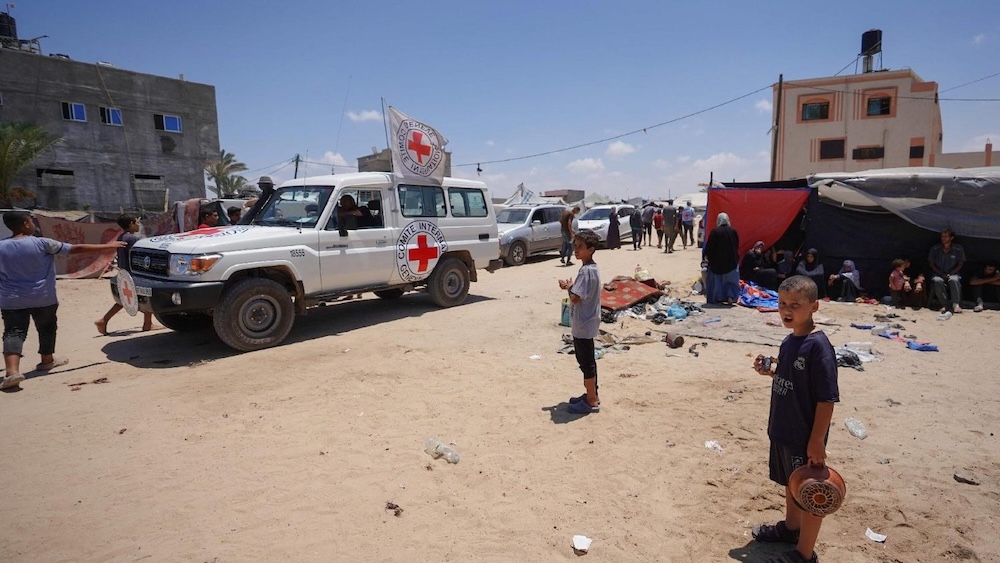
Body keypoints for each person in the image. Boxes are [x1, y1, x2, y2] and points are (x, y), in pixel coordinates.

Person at [751, 275, 839, 563]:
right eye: (782, 304)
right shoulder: (790, 342)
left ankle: (804, 553)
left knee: (812, 490)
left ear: (814, 306)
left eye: (796, 305)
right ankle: (791, 529)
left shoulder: (819, 348)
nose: (787, 310)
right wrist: (771, 372)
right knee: (792, 483)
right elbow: (792, 378)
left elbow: (826, 398)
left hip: (805, 435)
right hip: (783, 429)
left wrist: (816, 440)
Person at [1, 211, 127, 390]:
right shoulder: (42, 243)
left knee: (14, 332)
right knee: (47, 328)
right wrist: (107, 246)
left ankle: (12, 372)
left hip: (12, 299)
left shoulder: (1, 247)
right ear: (25, 224)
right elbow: (75, 249)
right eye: (31, 221)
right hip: (43, 297)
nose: (33, 224)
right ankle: (47, 360)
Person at [558, 229, 602, 415]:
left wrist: (568, 287)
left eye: (580, 247)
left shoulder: (585, 272)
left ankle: (591, 399)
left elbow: (576, 298)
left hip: (583, 324)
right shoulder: (591, 268)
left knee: (586, 363)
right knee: (588, 361)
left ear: (590, 249)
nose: (576, 250)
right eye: (575, 247)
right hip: (587, 322)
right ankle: (592, 395)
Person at [94, 215, 157, 335]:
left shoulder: (122, 237)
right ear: (132, 223)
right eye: (137, 222)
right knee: (145, 295)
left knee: (126, 299)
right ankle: (147, 324)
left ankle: (105, 320)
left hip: (124, 272)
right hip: (133, 273)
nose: (139, 225)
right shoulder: (132, 240)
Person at [702, 212, 740, 305]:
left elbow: (710, 247)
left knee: (717, 282)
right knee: (731, 282)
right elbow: (736, 245)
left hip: (717, 263)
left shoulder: (715, 231)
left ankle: (717, 298)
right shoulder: (733, 231)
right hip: (731, 262)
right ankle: (730, 297)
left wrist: (707, 257)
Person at [928, 228, 965, 314]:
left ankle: (956, 304)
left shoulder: (958, 249)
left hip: (953, 272)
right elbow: (931, 263)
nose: (943, 238)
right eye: (942, 236)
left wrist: (951, 273)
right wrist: (940, 273)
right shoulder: (935, 248)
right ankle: (945, 304)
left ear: (951, 238)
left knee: (954, 280)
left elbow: (960, 264)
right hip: (938, 272)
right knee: (937, 281)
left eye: (945, 236)